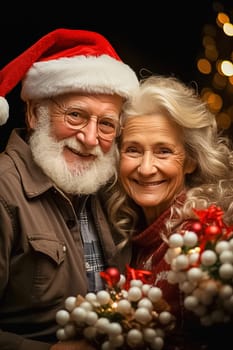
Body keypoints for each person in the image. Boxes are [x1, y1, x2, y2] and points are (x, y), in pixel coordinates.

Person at [0, 28, 139, 350]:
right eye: (76, 115)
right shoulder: (4, 192)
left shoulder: (107, 190)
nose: (90, 139)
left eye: (106, 124)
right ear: (35, 113)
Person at [105, 74, 233, 349]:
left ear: (190, 161)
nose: (146, 168)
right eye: (133, 150)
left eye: (163, 151)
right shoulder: (133, 234)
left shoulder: (205, 240)